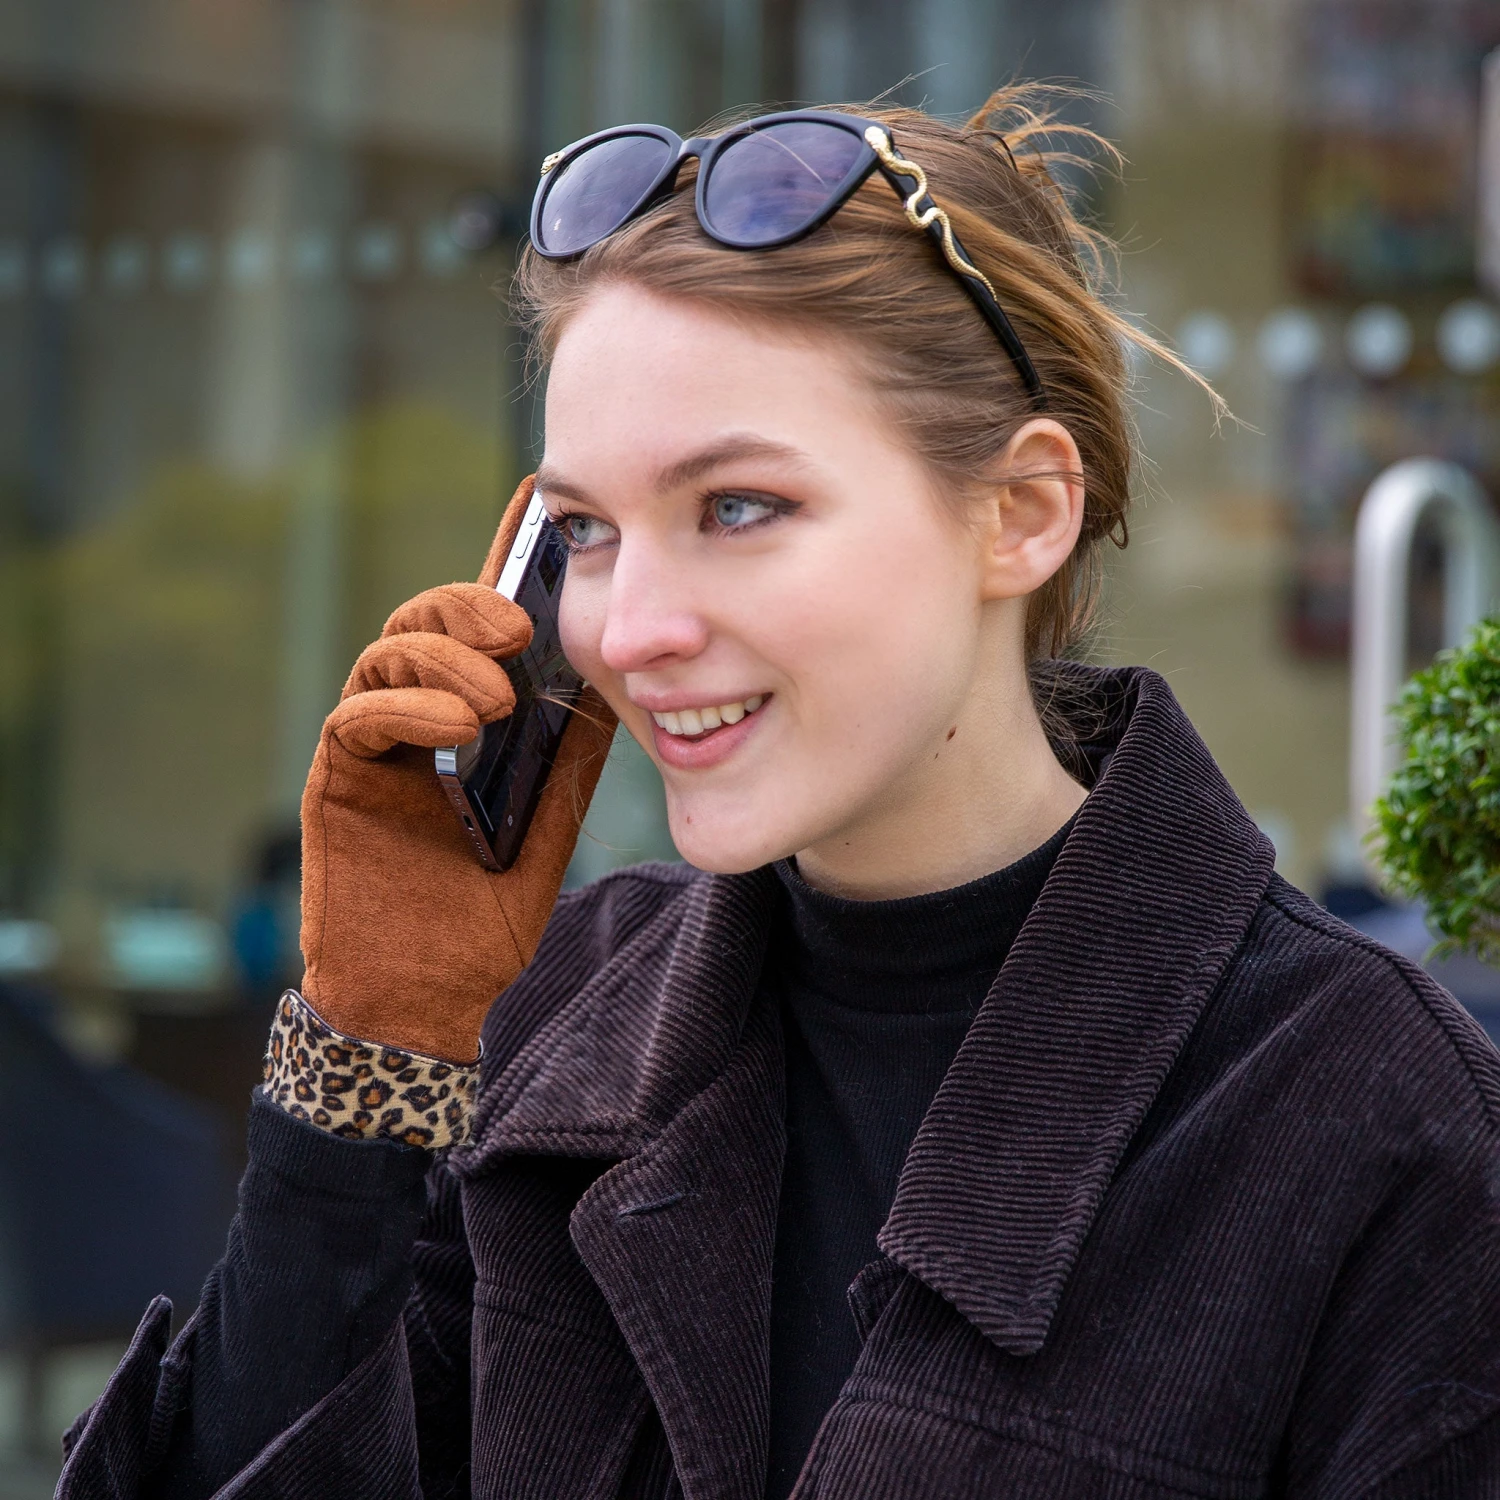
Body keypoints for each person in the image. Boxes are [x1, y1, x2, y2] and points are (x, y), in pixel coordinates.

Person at [59, 88, 1500, 1499]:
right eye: (586, 530)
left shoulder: (1370, 1115)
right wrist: (365, 1070)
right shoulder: (573, 1016)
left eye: (738, 508)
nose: (629, 633)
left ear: (1021, 513)